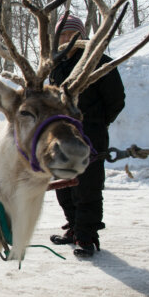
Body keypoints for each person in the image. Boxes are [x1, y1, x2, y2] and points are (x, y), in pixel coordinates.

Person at [49, 14, 125, 257]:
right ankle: (73, 226)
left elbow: (116, 101)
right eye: (62, 34)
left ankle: (87, 236)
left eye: (71, 34)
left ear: (82, 35)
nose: (66, 39)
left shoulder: (99, 62)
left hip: (89, 135)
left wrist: (97, 123)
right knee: (63, 185)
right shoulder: (55, 65)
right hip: (59, 137)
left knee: (87, 186)